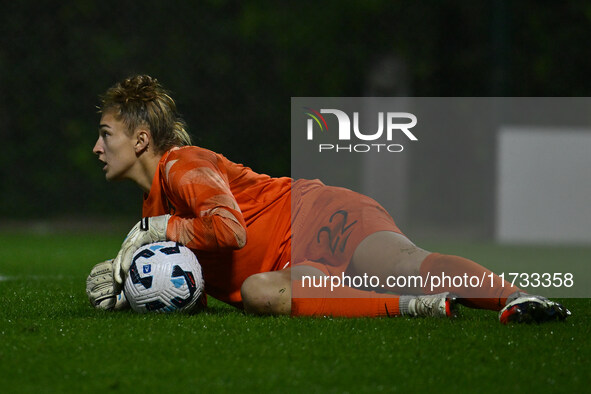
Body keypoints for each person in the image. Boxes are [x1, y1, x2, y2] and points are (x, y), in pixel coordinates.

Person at [86, 75, 570, 324]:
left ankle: (518, 297)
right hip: (283, 267)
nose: (97, 147)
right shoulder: (152, 210)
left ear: (143, 139)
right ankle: (418, 307)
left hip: (314, 215)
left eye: (106, 134)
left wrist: (157, 233)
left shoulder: (183, 165)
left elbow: (229, 231)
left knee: (401, 262)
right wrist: (126, 287)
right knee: (260, 293)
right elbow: (188, 284)